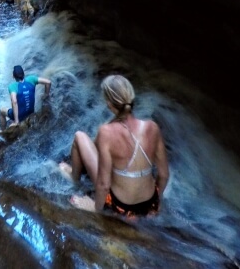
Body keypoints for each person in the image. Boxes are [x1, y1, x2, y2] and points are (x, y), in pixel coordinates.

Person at [59, 74, 169, 218]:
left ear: (109, 103)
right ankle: (148, 208)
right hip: (149, 204)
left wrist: (96, 208)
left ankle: (74, 177)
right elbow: (164, 175)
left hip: (120, 206)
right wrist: (155, 203)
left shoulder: (106, 132)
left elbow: (104, 184)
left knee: (80, 136)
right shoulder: (152, 127)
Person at [0, 65, 51, 129]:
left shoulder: (13, 86)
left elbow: (14, 101)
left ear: (13, 76)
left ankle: (2, 130)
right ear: (24, 74)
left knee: (1, 111)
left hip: (20, 116)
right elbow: (48, 82)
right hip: (31, 112)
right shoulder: (31, 79)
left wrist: (16, 121)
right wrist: (46, 95)